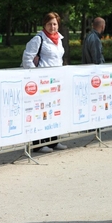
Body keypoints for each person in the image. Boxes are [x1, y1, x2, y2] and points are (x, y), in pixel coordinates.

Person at [22, 12, 67, 153]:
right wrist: (35, 75)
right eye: (49, 24)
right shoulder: (38, 39)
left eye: (55, 24)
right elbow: (27, 58)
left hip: (55, 82)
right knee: (40, 112)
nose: (52, 27)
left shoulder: (59, 39)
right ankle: (38, 144)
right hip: (42, 82)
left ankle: (53, 141)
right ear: (44, 25)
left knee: (53, 110)